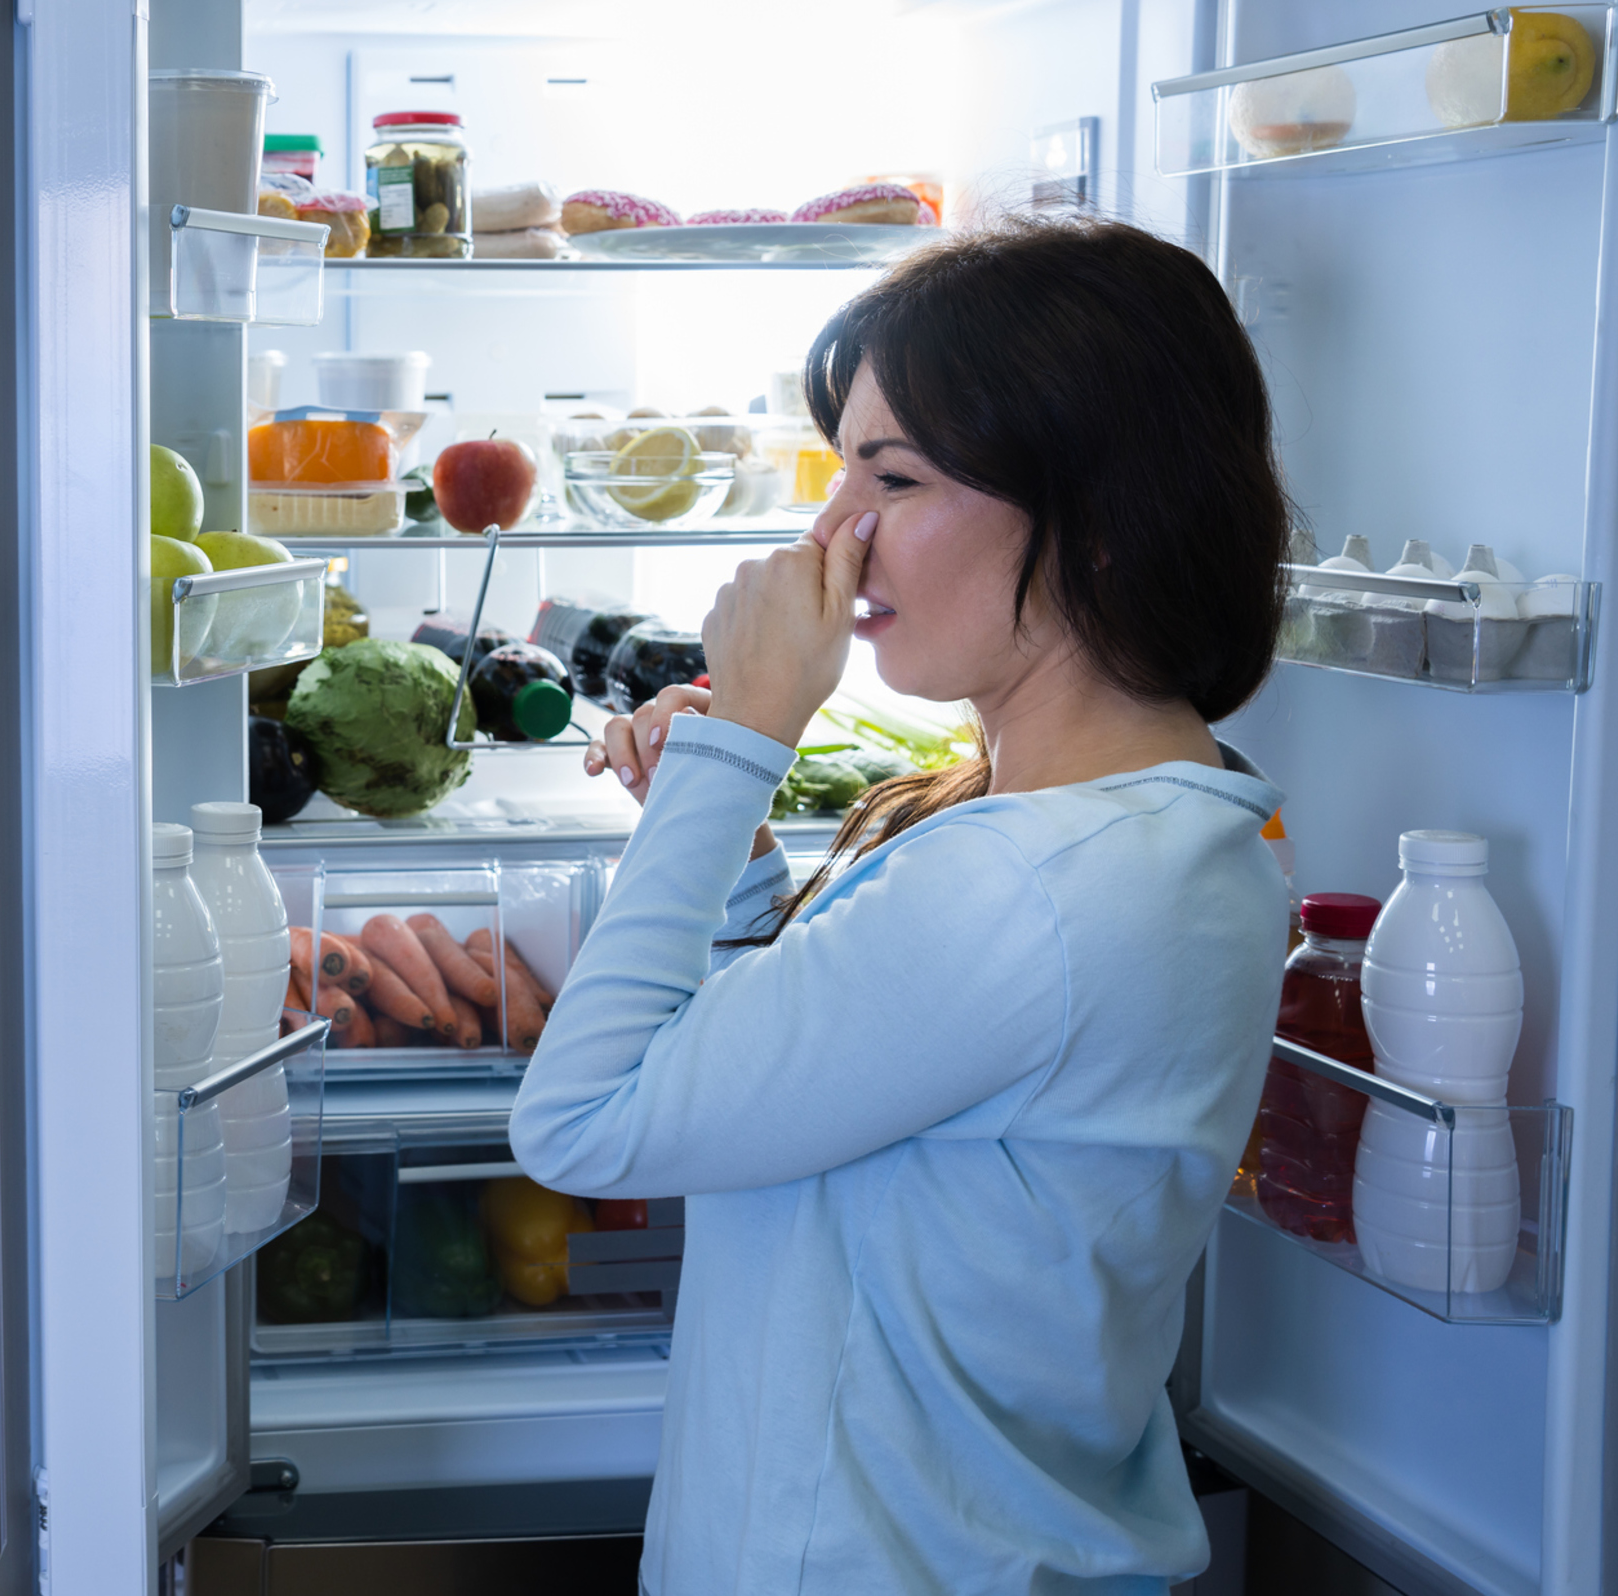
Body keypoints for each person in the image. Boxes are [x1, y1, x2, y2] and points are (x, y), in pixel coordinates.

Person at [509, 215, 1293, 1594]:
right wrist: (740, 852)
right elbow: (823, 1096)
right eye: (838, 475)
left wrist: (740, 740)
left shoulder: (1028, 881)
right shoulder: (1155, 828)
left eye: (895, 477)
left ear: (1100, 519)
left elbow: (583, 1126)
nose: (834, 537)